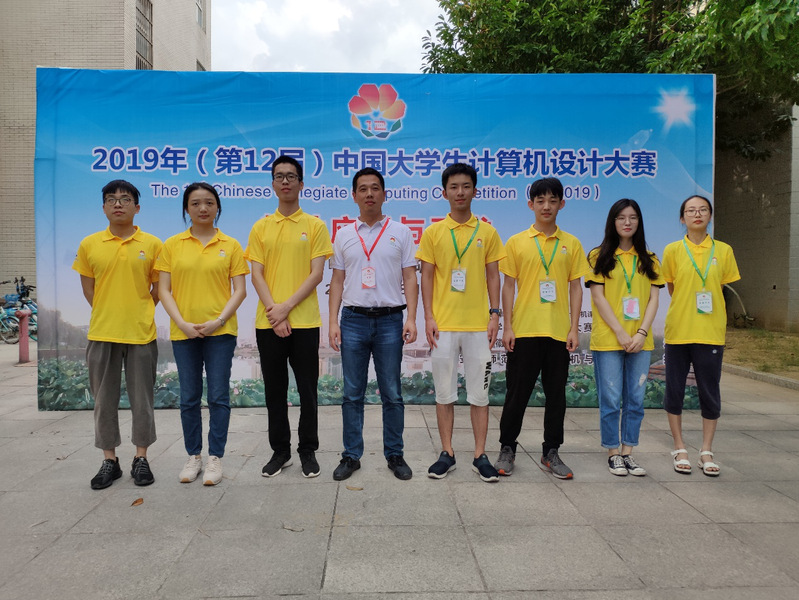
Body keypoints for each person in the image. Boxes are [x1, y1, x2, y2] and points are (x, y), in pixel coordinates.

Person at [495, 177, 590, 480]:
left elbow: (576, 288)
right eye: (540, 201)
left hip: (559, 332)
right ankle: (507, 447)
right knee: (516, 394)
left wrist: (574, 328)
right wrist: (508, 326)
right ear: (530, 204)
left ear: (562, 203)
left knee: (556, 397)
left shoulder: (571, 243)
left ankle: (551, 451)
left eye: (552, 200)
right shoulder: (516, 242)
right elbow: (508, 287)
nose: (546, 206)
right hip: (524, 330)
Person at [416, 163, 505, 483]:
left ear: (475, 191)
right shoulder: (434, 233)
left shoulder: (487, 232)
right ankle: (447, 452)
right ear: (444, 192)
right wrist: (428, 317)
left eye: (466, 186)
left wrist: (495, 315)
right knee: (444, 393)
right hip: (444, 325)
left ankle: (480, 455)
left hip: (478, 326)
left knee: (480, 394)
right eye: (454, 187)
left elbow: (493, 276)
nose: (460, 192)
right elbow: (426, 277)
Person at [328, 168, 418, 481]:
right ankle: (351, 456)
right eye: (363, 189)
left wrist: (412, 318)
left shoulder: (401, 232)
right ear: (354, 196)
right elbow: (337, 280)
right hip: (353, 320)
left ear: (384, 194)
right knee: (352, 393)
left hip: (390, 320)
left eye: (375, 188)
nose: (369, 194)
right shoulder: (343, 234)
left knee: (391, 392)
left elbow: (410, 277)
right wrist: (333, 322)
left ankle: (395, 454)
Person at [246, 155, 333, 478]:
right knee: (275, 390)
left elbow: (316, 274)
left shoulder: (315, 226)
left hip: (305, 321)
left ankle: (307, 450)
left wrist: (286, 308)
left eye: (291, 176)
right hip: (268, 322)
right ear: (272, 184)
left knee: (308, 391)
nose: (285, 181)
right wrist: (275, 312)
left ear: (301, 184)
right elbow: (256, 274)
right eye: (279, 176)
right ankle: (280, 452)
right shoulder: (261, 227)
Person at [156, 182, 248, 486]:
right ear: (186, 208)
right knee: (189, 396)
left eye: (209, 202)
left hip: (221, 333)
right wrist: (182, 323)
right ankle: (193, 455)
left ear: (217, 207)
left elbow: (240, 291)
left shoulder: (230, 245)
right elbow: (164, 290)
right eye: (195, 203)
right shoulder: (172, 245)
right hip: (184, 333)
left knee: (219, 396)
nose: (203, 208)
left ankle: (215, 457)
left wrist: (219, 321)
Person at [73, 180, 161, 490]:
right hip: (102, 333)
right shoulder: (90, 244)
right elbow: (89, 289)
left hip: (141, 334)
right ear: (104, 208)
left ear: (137, 207)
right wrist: (109, 311)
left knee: (142, 401)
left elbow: (158, 288)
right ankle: (109, 460)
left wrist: (138, 311)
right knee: (104, 401)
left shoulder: (152, 244)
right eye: (111, 199)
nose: (118, 204)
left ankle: (141, 458)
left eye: (125, 199)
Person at [662, 195, 740, 476]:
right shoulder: (672, 250)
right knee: (675, 390)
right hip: (679, 331)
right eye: (691, 210)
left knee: (709, 390)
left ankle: (706, 450)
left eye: (703, 210)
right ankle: (679, 447)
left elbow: (723, 287)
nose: (697, 214)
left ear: (710, 215)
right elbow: (672, 287)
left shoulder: (724, 250)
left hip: (710, 332)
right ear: (682, 218)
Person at [586, 199, 663, 477]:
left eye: (632, 217)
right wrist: (620, 331)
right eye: (621, 217)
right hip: (609, 340)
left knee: (636, 399)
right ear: (613, 222)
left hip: (640, 342)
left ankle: (628, 452)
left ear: (639, 222)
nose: (627, 222)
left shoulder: (650, 259)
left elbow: (654, 299)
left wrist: (641, 332)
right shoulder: (598, 255)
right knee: (610, 398)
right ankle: (612, 453)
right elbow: (598, 297)